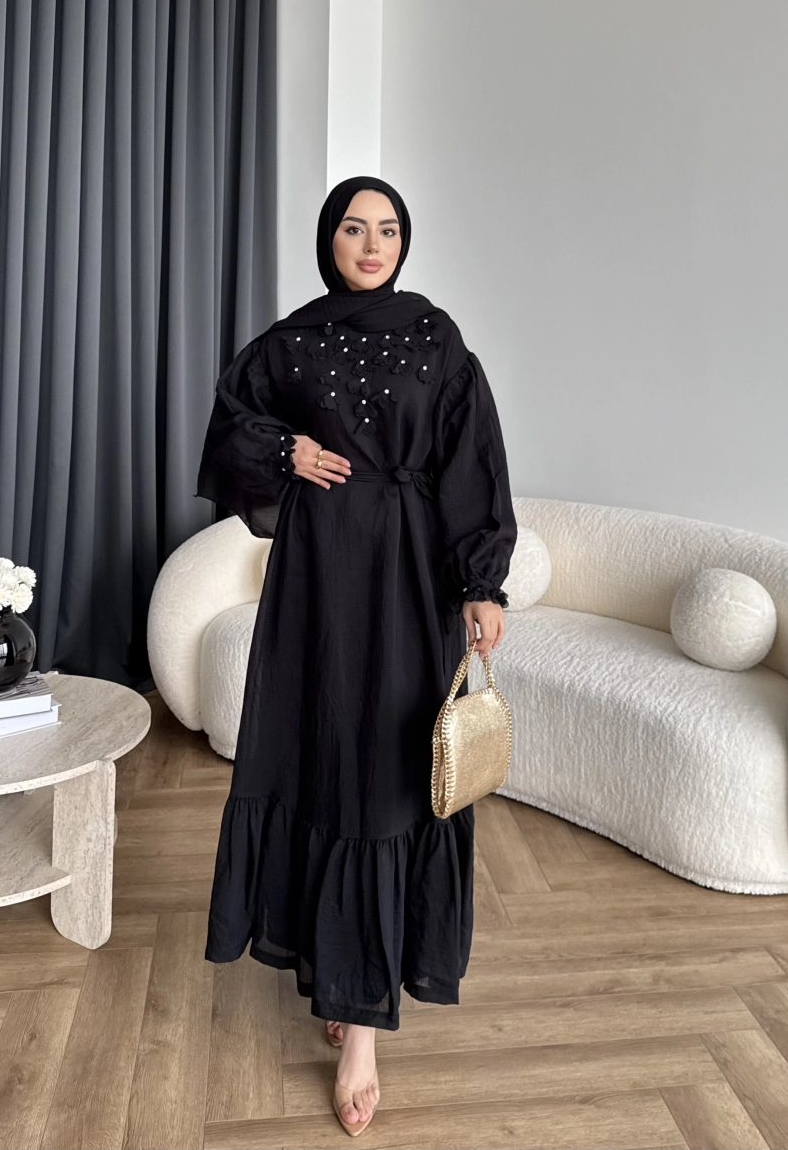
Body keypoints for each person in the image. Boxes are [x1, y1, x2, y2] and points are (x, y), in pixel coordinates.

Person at [195, 175, 517, 1137]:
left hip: (412, 579)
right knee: (325, 762)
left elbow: (474, 460)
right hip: (319, 582)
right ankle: (341, 970)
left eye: (386, 229)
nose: (371, 244)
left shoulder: (437, 339)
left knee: (387, 775)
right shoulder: (293, 341)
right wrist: (284, 451)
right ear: (327, 240)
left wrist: (482, 582)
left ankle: (363, 1027)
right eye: (352, 227)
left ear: (404, 242)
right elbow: (228, 425)